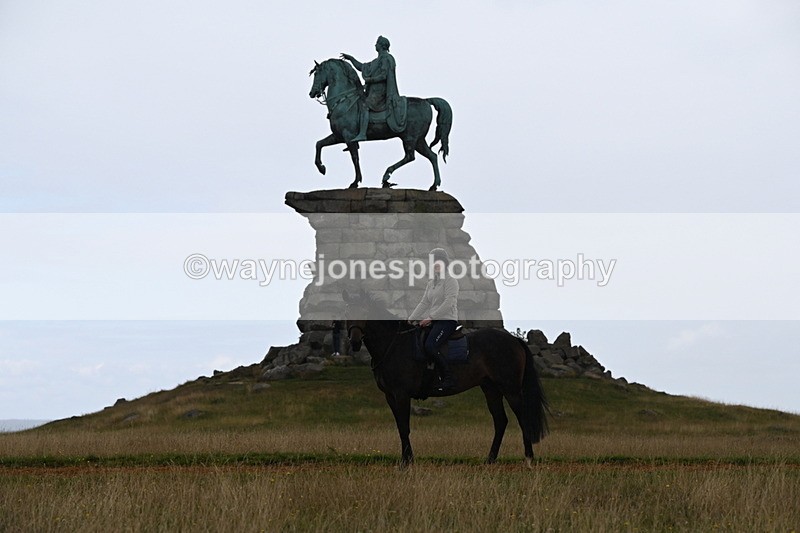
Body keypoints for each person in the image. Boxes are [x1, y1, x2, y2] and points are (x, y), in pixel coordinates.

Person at [408, 248, 459, 391]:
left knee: (430, 345)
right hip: (434, 321)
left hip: (447, 321)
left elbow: (449, 302)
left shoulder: (451, 281)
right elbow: (424, 303)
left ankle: (449, 378)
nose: (436, 264)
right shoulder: (431, 283)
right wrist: (410, 319)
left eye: (438, 261)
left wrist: (431, 317)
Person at [340, 35, 407, 141]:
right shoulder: (377, 60)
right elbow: (361, 67)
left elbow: (384, 75)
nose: (375, 45)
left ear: (381, 46)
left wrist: (370, 80)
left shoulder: (387, 58)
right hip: (373, 90)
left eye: (377, 43)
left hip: (381, 91)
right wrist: (351, 59)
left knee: (364, 105)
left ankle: (362, 134)